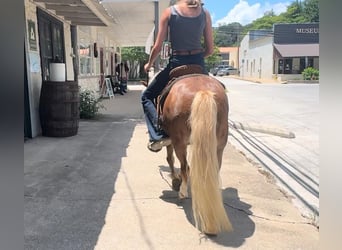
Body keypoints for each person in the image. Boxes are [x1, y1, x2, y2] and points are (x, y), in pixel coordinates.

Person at [141, 0, 214, 152]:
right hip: (199, 64)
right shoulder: (205, 13)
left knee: (147, 96)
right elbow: (210, 49)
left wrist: (149, 64)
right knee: (219, 91)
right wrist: (197, 57)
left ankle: (158, 134)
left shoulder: (169, 12)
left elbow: (157, 47)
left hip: (177, 62)